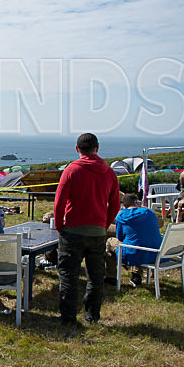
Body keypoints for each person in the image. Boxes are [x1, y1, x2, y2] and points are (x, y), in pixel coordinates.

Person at [53, 133, 120, 326]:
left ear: (77, 149)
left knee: (68, 275)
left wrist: (60, 226)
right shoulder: (109, 172)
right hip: (97, 232)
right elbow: (115, 204)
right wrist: (104, 224)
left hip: (72, 230)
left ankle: (68, 317)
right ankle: (92, 316)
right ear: (97, 148)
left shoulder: (72, 170)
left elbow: (59, 203)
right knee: (95, 276)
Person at [106, 194, 163, 288]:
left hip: (133, 254)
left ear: (124, 206)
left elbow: (120, 237)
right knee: (138, 242)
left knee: (110, 241)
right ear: (137, 203)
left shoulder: (121, 216)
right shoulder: (149, 213)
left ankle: (111, 276)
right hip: (155, 253)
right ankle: (136, 274)